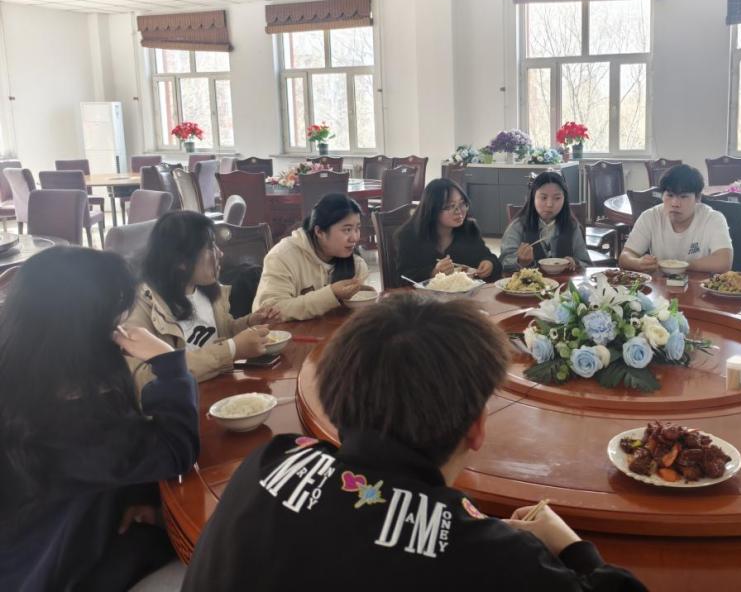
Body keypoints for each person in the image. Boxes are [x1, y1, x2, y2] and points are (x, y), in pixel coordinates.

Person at [182, 295, 645, 592]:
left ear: (337, 395)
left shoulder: (273, 458)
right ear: (477, 428)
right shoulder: (494, 559)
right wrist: (566, 543)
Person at [0, 247, 199, 592]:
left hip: (53, 547)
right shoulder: (67, 420)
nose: (118, 329)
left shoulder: (24, 380)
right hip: (56, 574)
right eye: (112, 319)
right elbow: (175, 449)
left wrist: (136, 494)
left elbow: (118, 457)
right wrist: (169, 363)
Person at [126, 211, 278, 385]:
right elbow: (142, 379)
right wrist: (231, 350)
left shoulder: (206, 289)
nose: (220, 253)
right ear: (181, 261)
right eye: (210, 247)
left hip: (220, 386)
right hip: (185, 399)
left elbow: (221, 332)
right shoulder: (141, 307)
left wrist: (251, 322)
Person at [253, 193, 371, 321]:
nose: (355, 238)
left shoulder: (356, 265)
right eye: (347, 230)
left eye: (357, 229)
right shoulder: (282, 256)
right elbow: (269, 312)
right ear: (319, 232)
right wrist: (331, 293)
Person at [619, 164, 733, 274]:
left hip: (699, 285)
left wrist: (682, 266)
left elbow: (724, 262)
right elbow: (625, 257)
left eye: (683, 197)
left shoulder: (713, 218)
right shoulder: (650, 217)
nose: (675, 203)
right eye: (670, 195)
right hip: (660, 285)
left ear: (697, 198)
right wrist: (638, 263)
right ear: (662, 195)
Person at [396, 178, 499, 283]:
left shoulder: (469, 229)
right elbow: (402, 278)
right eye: (450, 206)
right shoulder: (410, 235)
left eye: (462, 204)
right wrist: (433, 273)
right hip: (424, 293)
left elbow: (489, 258)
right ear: (433, 209)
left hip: (464, 293)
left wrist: (490, 264)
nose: (459, 211)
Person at [501, 171, 590, 273]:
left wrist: (575, 262)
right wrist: (520, 262)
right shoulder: (518, 226)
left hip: (564, 282)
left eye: (557, 198)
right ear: (533, 197)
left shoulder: (572, 226)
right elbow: (503, 263)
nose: (549, 204)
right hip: (529, 283)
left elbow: (585, 262)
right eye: (543, 197)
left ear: (564, 199)